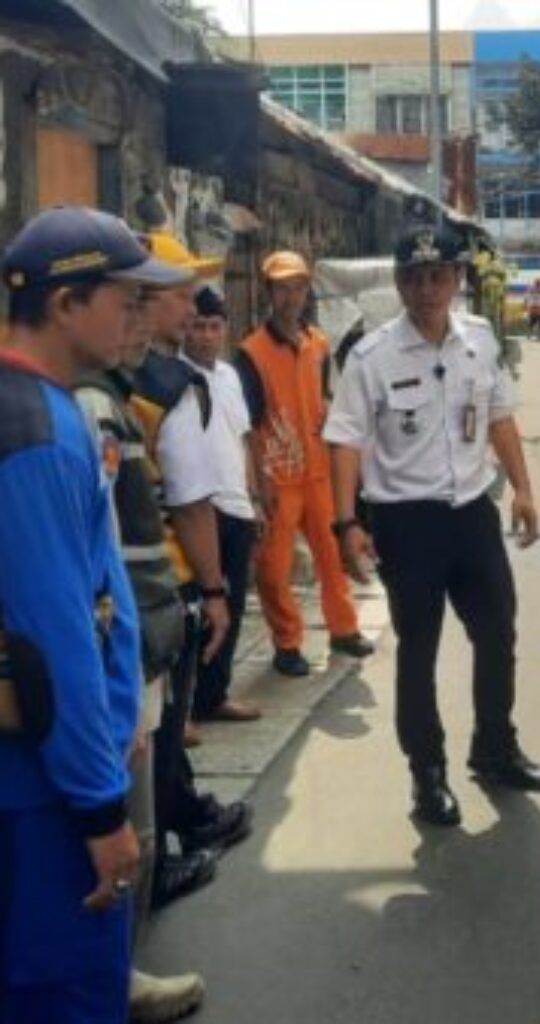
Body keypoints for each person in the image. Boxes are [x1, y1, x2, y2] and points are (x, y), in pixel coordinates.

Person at [0, 207, 179, 1023]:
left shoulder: (51, 407)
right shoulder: (33, 430)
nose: (137, 316)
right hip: (43, 798)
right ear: (66, 302)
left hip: (59, 771)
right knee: (64, 997)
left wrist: (123, 711)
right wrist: (101, 808)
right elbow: (51, 643)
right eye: (123, 297)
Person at [325, 225, 540, 827]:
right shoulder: (371, 356)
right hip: (407, 523)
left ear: (458, 279)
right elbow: (346, 441)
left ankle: (494, 747)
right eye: (414, 276)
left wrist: (524, 489)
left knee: (498, 633)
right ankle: (427, 774)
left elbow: (500, 416)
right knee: (419, 650)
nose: (427, 288)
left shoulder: (479, 340)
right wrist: (347, 522)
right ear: (400, 283)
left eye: (438, 275)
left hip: (472, 513)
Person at [76, 284, 206, 1022]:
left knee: (141, 829)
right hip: (119, 651)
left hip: (138, 638)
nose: (142, 321)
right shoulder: (90, 407)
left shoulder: (116, 397)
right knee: (130, 833)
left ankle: (116, 977)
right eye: (131, 304)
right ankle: (109, 984)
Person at [133, 232, 252, 908]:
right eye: (180, 295)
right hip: (165, 577)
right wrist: (214, 589)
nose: (191, 309)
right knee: (160, 718)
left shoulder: (121, 380)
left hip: (137, 578)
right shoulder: (169, 384)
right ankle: (158, 858)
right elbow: (191, 499)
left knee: (159, 722)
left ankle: (181, 815)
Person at [236, 251, 373, 678]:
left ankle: (344, 629)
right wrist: (259, 485)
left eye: (298, 287)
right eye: (282, 287)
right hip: (278, 475)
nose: (291, 296)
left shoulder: (319, 344)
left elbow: (327, 403)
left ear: (307, 290)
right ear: (269, 292)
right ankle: (288, 642)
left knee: (333, 556)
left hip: (318, 472)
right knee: (274, 569)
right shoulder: (251, 353)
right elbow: (249, 426)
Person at [182, 285, 262, 723]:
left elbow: (242, 441)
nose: (206, 336)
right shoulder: (177, 379)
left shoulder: (230, 377)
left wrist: (254, 499)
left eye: (214, 327)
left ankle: (215, 696)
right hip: (201, 510)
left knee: (232, 609)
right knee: (196, 611)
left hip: (237, 508)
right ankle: (185, 709)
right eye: (198, 326)